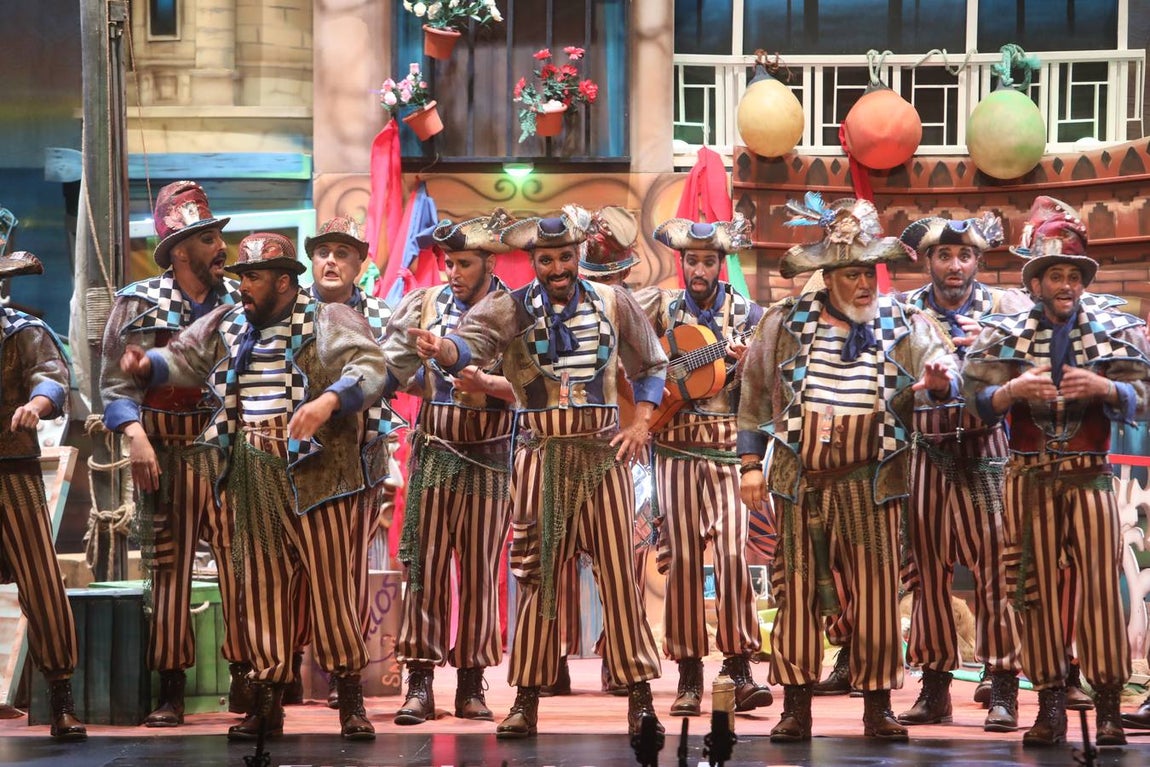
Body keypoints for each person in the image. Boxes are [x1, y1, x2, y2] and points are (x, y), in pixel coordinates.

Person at [409, 205, 668, 738]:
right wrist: (446, 348)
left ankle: (640, 699)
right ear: (534, 260)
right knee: (535, 579)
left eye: (565, 257)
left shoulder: (614, 302)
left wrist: (642, 421)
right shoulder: (512, 307)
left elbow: (653, 364)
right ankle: (525, 699)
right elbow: (471, 342)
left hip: (603, 458)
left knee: (620, 577)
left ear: (579, 256)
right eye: (546, 259)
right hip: (539, 457)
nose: (557, 268)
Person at [118, 232, 388, 741]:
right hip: (250, 468)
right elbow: (186, 358)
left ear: (284, 281)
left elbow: (371, 368)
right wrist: (148, 364)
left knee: (331, 586)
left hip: (318, 473)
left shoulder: (327, 317)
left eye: (254, 277)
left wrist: (327, 402)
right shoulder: (232, 322)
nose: (242, 286)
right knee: (260, 589)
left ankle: (350, 699)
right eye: (241, 276)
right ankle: (267, 703)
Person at [737, 195, 957, 743]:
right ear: (829, 276)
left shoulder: (903, 321)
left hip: (870, 480)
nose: (866, 283)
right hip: (802, 481)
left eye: (871, 271)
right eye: (854, 273)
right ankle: (795, 705)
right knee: (797, 594)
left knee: (879, 593)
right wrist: (748, 462)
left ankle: (878, 703)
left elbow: (949, 366)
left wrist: (939, 382)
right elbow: (755, 394)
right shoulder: (785, 322)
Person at [963, 196, 1150, 748]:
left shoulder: (1114, 330)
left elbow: (1145, 394)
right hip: (1028, 479)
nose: (1066, 285)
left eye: (1074, 274)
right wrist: (1011, 391)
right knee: (1033, 592)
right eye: (1055, 275)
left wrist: (1108, 389)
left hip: (1090, 480)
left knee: (1098, 591)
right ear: (1036, 282)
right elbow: (973, 399)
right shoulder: (1007, 334)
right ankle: (1049, 705)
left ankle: (1110, 705)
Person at [99, 180, 248, 726]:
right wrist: (135, 434)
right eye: (208, 238)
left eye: (217, 236)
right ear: (181, 248)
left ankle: (248, 678)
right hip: (166, 452)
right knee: (168, 571)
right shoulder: (138, 301)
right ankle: (171, 687)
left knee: (242, 566)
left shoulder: (240, 303)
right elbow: (114, 385)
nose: (220, 248)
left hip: (229, 455)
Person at [382, 210, 517, 725]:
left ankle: (470, 686)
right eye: (448, 262)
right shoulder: (425, 302)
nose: (453, 272)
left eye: (463, 263)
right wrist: (427, 382)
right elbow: (392, 368)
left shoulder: (515, 310)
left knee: (481, 573)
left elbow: (536, 390)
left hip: (490, 461)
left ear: (488, 260)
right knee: (425, 570)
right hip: (436, 455)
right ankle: (419, 685)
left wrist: (488, 387)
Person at [635, 214, 771, 718]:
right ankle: (689, 674)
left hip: (728, 448)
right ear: (683, 262)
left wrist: (747, 360)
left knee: (734, 553)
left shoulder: (751, 315)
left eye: (708, 260)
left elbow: (765, 383)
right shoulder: (658, 308)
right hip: (674, 447)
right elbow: (635, 360)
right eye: (691, 260)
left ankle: (738, 666)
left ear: (721, 264)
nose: (699, 268)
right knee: (685, 563)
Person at [894, 213, 1024, 732]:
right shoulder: (903, 313)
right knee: (928, 574)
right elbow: (890, 377)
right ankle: (935, 687)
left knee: (997, 572)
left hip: (986, 449)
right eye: (944, 256)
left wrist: (990, 347)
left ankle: (1004, 687)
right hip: (926, 450)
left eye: (964, 256)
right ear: (927, 261)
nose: (954, 265)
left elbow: (1030, 367)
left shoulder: (1005, 310)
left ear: (978, 260)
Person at [545, 205, 646, 698]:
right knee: (551, 560)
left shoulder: (630, 305)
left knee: (621, 558)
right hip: (556, 445)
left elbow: (653, 365)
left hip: (616, 447)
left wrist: (643, 419)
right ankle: (551, 661)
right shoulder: (539, 306)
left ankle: (619, 659)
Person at [300, 215, 401, 708]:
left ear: (360, 263)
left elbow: (400, 380)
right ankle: (282, 674)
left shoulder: (382, 316)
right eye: (323, 252)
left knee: (350, 571)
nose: (331, 261)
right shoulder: (291, 312)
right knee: (286, 571)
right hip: (294, 465)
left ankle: (346, 678)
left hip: (361, 460)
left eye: (342, 253)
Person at [0, 250, 86, 741]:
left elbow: (51, 377)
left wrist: (36, 404)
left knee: (41, 583)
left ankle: (61, 699)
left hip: (13, 472)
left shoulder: (21, 331)